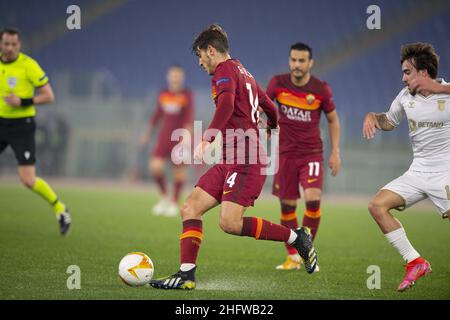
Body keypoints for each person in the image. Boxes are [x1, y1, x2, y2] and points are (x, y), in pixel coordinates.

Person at [149, 24, 318, 290]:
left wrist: (206, 138)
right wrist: (272, 125)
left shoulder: (224, 71)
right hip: (231, 157)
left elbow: (227, 105)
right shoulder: (244, 71)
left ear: (211, 50)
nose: (200, 61)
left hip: (246, 158)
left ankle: (296, 237)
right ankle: (186, 275)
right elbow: (269, 106)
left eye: (199, 55)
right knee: (190, 207)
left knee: (229, 223)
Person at [362, 42, 450, 292]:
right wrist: (372, 116)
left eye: (407, 72)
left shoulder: (446, 92)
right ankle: (415, 261)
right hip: (417, 172)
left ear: (424, 72)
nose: (403, 78)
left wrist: (440, 88)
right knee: (377, 206)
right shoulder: (405, 97)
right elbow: (388, 122)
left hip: (446, 171)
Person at [266, 43, 341, 270]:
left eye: (301, 61)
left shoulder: (321, 89)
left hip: (312, 154)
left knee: (313, 200)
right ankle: (293, 256)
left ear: (310, 63)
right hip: (286, 154)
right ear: (289, 61)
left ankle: (307, 253)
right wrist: (267, 123)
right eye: (293, 60)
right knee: (287, 207)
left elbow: (333, 119)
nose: (297, 65)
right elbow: (264, 106)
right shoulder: (277, 83)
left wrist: (336, 151)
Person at [0, 28, 71, 235]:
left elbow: (49, 96)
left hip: (22, 125)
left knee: (28, 180)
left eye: (14, 44)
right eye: (6, 44)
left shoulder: (28, 65)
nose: (10, 48)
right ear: (1, 44)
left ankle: (60, 209)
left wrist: (23, 101)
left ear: (19, 45)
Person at [139, 65, 194, 217]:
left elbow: (189, 116)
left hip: (179, 137)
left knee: (179, 173)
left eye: (178, 75)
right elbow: (157, 115)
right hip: (164, 137)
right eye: (173, 75)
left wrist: (186, 136)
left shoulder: (187, 95)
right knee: (155, 166)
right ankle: (164, 197)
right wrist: (147, 133)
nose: (175, 78)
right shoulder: (163, 94)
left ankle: (174, 204)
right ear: (168, 76)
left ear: (182, 78)